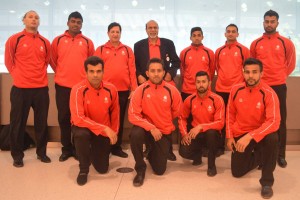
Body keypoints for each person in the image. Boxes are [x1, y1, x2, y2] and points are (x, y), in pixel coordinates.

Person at [226, 58, 280, 199]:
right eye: (247, 72)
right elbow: (230, 114)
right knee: (237, 172)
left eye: (255, 72)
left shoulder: (269, 93)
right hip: (241, 132)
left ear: (261, 74)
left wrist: (250, 136)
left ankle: (267, 182)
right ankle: (259, 157)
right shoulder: (235, 90)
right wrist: (230, 136)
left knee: (272, 138)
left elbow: (274, 121)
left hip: (260, 134)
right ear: (243, 73)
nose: (250, 76)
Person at [5, 10, 51, 167]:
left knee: (41, 123)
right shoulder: (14, 39)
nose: (34, 19)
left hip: (41, 89)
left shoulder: (45, 42)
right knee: (17, 123)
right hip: (20, 89)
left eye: (37, 17)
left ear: (39, 22)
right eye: (30, 17)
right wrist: (19, 77)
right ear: (24, 20)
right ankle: (17, 156)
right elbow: (8, 61)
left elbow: (45, 62)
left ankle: (42, 153)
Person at [250, 10, 296, 168]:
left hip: (278, 86)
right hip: (260, 86)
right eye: (267, 21)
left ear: (277, 23)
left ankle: (280, 155)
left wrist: (280, 76)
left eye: (272, 21)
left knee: (280, 120)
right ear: (263, 22)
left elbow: (290, 64)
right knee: (261, 120)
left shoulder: (286, 42)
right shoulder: (255, 43)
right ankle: (261, 155)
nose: (269, 24)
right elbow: (252, 66)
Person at [128, 58, 182, 187]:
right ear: (147, 73)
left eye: (159, 70)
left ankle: (151, 149)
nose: (156, 74)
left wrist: (162, 123)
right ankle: (140, 168)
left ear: (164, 72)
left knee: (159, 170)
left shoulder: (172, 90)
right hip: (146, 130)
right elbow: (132, 115)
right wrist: (151, 127)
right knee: (135, 133)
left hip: (162, 133)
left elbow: (177, 112)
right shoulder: (140, 90)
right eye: (152, 71)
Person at [50, 11, 95, 162]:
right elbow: (53, 61)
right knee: (63, 118)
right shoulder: (57, 40)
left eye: (78, 22)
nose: (75, 24)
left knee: (80, 118)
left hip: (82, 88)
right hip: (62, 86)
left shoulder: (88, 42)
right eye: (73, 21)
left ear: (82, 24)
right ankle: (66, 149)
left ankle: (77, 148)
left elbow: (91, 65)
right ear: (68, 22)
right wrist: (62, 73)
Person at [134, 20, 180, 161]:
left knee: (167, 116)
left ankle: (169, 149)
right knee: (148, 115)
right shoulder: (138, 45)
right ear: (146, 29)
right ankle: (149, 146)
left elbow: (176, 62)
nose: (152, 30)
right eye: (150, 28)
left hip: (166, 85)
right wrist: (139, 76)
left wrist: (169, 74)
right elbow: (133, 64)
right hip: (147, 85)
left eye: (155, 27)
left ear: (158, 29)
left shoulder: (168, 43)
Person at [69, 56, 119, 186]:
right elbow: (78, 118)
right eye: (91, 71)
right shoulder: (77, 90)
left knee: (102, 169)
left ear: (103, 72)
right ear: (86, 72)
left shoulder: (111, 89)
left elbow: (115, 112)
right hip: (83, 128)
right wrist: (104, 128)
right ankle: (83, 169)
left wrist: (114, 131)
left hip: (102, 130)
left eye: (98, 71)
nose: (95, 75)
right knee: (81, 135)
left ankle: (91, 151)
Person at [94, 22, 137, 158]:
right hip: (104, 91)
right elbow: (95, 70)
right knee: (104, 119)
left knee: (118, 120)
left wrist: (134, 89)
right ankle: (104, 146)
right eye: (112, 32)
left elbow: (132, 70)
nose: (115, 34)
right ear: (108, 33)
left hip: (123, 90)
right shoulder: (100, 49)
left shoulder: (127, 50)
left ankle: (116, 147)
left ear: (120, 33)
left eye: (117, 32)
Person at [178, 71, 224, 177]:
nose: (201, 84)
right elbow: (182, 118)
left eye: (204, 81)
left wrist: (201, 127)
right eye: (198, 82)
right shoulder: (189, 100)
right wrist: (184, 134)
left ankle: (211, 166)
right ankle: (197, 156)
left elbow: (220, 123)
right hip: (195, 133)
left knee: (211, 134)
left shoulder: (217, 99)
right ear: (195, 84)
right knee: (183, 151)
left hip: (212, 134)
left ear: (209, 82)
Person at [215, 24, 250, 156]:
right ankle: (219, 147)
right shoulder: (218, 51)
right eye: (228, 32)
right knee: (221, 118)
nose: (230, 34)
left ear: (237, 34)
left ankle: (237, 143)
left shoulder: (243, 50)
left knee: (237, 117)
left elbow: (248, 68)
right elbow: (217, 68)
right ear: (225, 34)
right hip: (221, 89)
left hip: (237, 90)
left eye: (233, 32)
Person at [180, 27, 215, 100]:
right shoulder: (184, 52)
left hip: (204, 90)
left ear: (202, 37)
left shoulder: (209, 52)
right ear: (190, 38)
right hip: (187, 90)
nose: (197, 38)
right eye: (194, 35)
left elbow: (211, 72)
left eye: (199, 35)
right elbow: (182, 70)